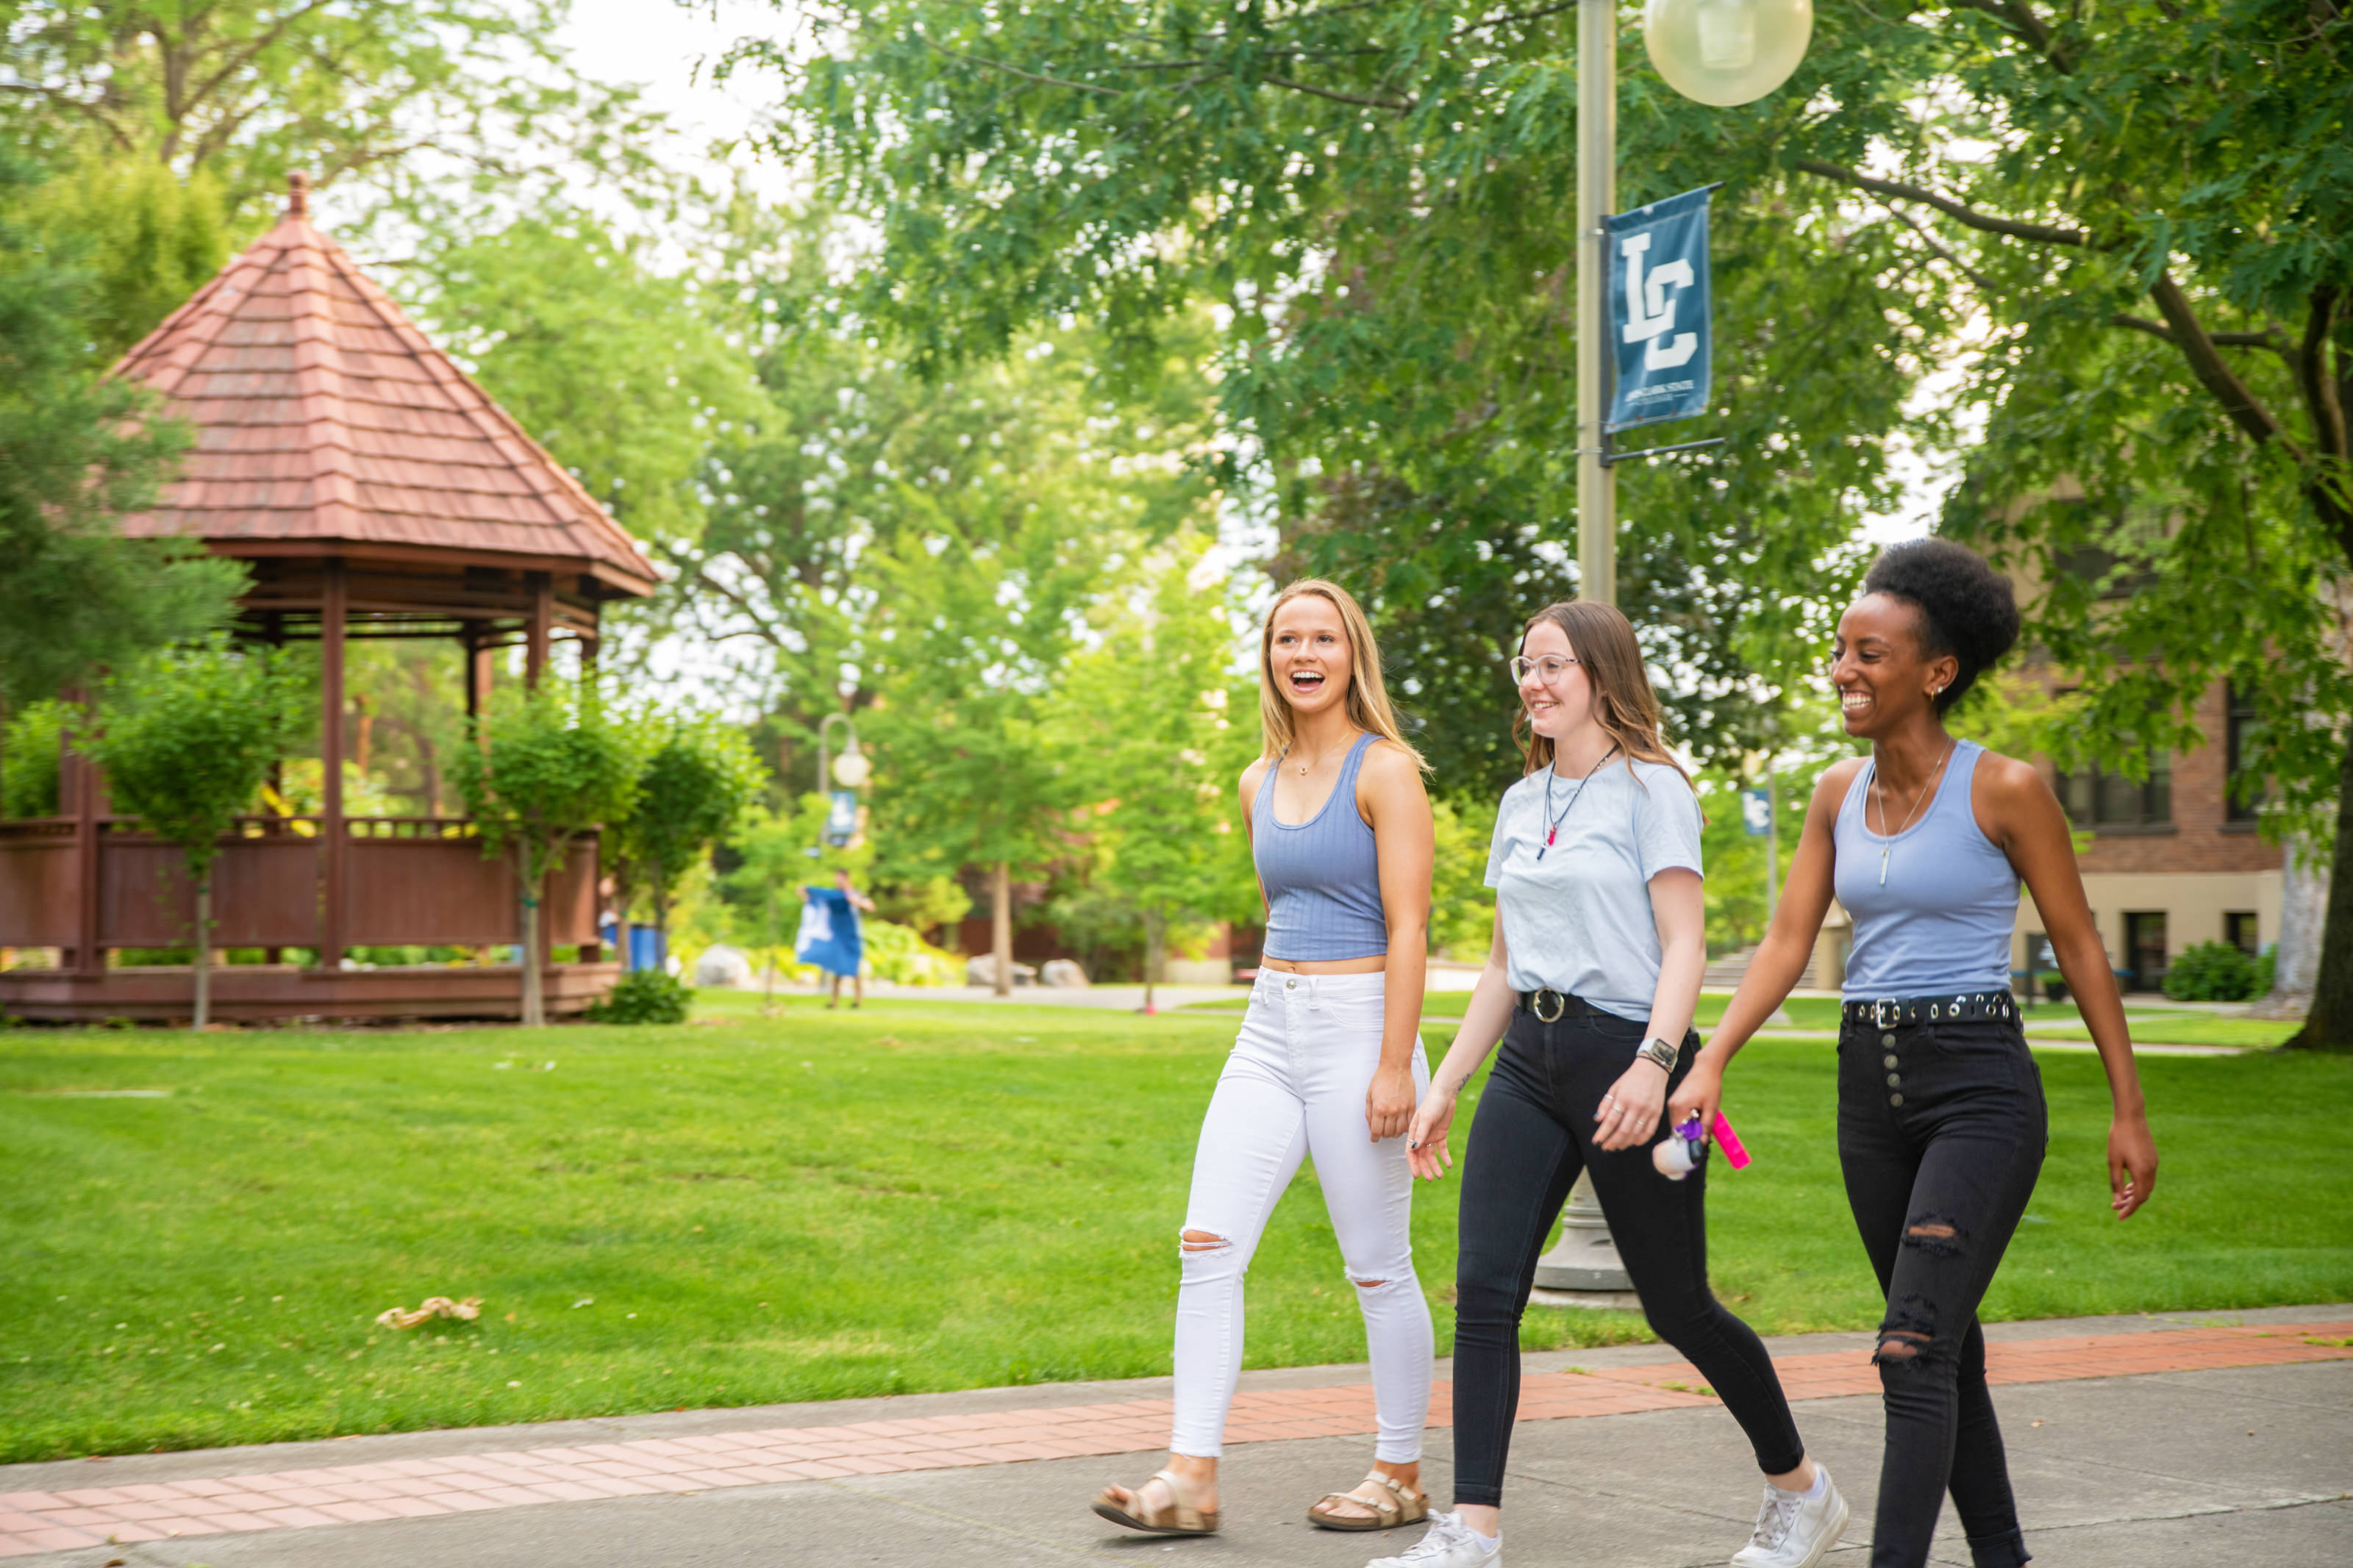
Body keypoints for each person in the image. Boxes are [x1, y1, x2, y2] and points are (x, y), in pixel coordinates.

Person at [1680, 540, 2158, 1568]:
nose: (1844, 669)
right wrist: (1712, 1055)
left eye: (1871, 653)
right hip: (1870, 1091)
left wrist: (2129, 1107)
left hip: (1978, 1083)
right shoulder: (1833, 791)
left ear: (1936, 671)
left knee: (1910, 1351)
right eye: (1841, 650)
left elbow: (2078, 944)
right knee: (1944, 1348)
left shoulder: (2007, 790)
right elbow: (1784, 939)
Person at [1386, 600, 1843, 1568]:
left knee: (1678, 1305)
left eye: (1552, 664)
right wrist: (1449, 1083)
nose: (1534, 681)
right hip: (1530, 1063)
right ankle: (1474, 1531)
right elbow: (1506, 967)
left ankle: (1802, 1489)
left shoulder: (1652, 787)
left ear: (1601, 673)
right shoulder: (1522, 802)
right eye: (1526, 665)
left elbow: (1684, 944)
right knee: (1485, 1289)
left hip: (1622, 1058)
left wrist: (1656, 1061)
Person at [1093, 579, 1438, 1539]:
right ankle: (1189, 1477)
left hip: (1358, 1022)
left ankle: (1400, 1471)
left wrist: (1394, 1063)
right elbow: (1285, 908)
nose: (1304, 652)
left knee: (1376, 1266)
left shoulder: (1387, 772)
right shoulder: (1259, 779)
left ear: (1350, 653)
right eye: (1288, 637)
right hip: (1267, 1027)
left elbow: (1410, 927)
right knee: (1206, 1246)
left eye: (1323, 636)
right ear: (1271, 657)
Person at [796, 868, 874, 1009]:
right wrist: (803, 894)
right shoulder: (834, 896)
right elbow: (814, 903)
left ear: (846, 879)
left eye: (839, 879)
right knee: (838, 969)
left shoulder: (855, 894)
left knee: (855, 970)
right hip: (838, 936)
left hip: (853, 936)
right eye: (836, 879)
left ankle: (857, 1001)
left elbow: (870, 906)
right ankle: (834, 1002)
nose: (837, 882)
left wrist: (856, 901)